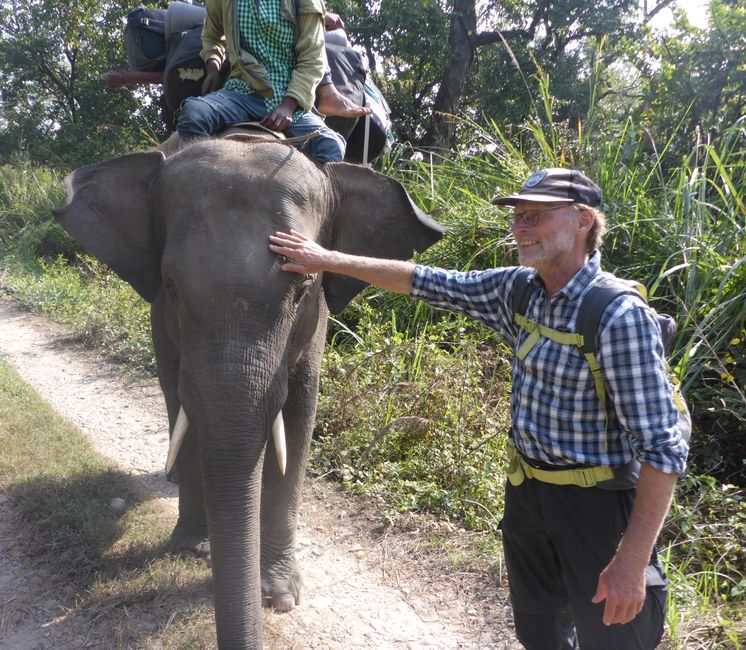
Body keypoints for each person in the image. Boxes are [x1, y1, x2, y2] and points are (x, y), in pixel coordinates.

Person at [268, 168, 689, 649]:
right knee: (542, 633)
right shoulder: (519, 290)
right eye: (518, 217)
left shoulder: (616, 315)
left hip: (597, 507)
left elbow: (662, 449)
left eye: (536, 216)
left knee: (615, 638)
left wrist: (632, 563)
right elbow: (424, 281)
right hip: (529, 494)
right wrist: (326, 259)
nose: (521, 227)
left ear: (582, 221)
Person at [177, 0, 346, 163]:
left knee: (331, 145)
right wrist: (213, 67)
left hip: (290, 101)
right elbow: (211, 37)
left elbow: (313, 58)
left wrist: (288, 105)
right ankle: (197, 185)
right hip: (240, 92)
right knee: (194, 113)